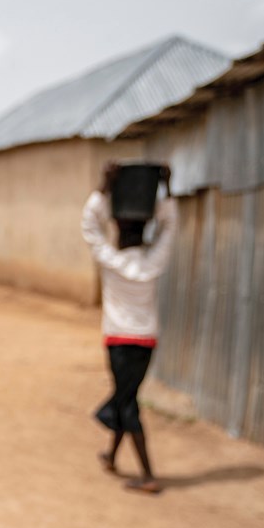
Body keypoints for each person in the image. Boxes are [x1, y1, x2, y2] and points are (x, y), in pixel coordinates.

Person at [81, 162, 177, 494]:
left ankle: (148, 475)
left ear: (118, 229)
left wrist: (104, 187)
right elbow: (170, 227)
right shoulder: (153, 262)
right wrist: (167, 188)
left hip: (119, 342)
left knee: (127, 403)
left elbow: (90, 226)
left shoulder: (112, 261)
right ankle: (111, 454)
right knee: (127, 397)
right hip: (147, 341)